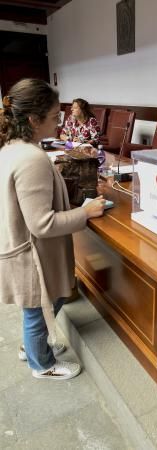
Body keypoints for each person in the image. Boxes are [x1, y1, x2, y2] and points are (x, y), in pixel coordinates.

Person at [0, 79, 107, 380]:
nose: (59, 122)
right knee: (38, 308)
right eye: (53, 117)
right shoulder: (31, 158)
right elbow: (42, 223)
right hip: (31, 254)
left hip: (23, 247)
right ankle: (41, 365)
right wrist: (84, 212)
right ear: (33, 120)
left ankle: (31, 349)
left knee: (37, 308)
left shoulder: (15, 147)